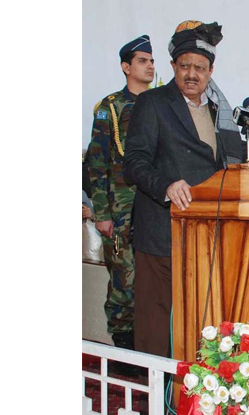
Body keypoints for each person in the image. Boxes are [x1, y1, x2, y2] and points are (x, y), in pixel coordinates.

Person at [124, 20, 240, 357]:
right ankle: (156, 397)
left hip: (207, 235)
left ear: (210, 71)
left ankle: (195, 393)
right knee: (156, 325)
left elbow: (226, 167)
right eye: (185, 65)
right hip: (162, 232)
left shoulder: (222, 112)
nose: (192, 74)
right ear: (174, 66)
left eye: (200, 68)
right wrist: (167, 186)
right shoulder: (153, 103)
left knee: (201, 319)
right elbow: (134, 162)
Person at [86, 35, 154, 351]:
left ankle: (152, 349)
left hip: (156, 206)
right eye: (143, 60)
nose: (150, 66)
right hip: (121, 211)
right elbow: (96, 164)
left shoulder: (164, 104)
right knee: (124, 282)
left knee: (155, 280)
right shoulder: (110, 108)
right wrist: (101, 213)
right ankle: (125, 349)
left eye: (152, 60)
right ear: (126, 67)